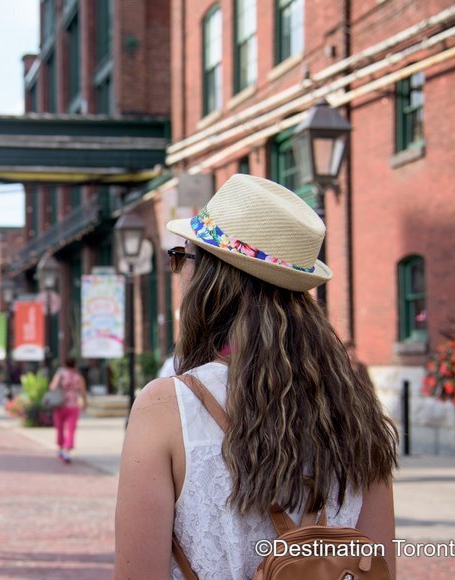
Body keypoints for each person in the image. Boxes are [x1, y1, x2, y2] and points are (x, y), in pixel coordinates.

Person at [114, 175, 399, 579]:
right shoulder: (355, 410)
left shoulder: (167, 407)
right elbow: (378, 566)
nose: (177, 270)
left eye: (182, 256)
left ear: (208, 276)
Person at [46, 356, 88, 464]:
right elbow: (83, 392)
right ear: (75, 365)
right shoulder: (78, 377)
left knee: (59, 428)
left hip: (60, 405)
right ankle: (67, 450)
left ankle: (59, 449)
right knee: (71, 429)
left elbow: (52, 388)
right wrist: (85, 403)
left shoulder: (60, 375)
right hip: (73, 406)